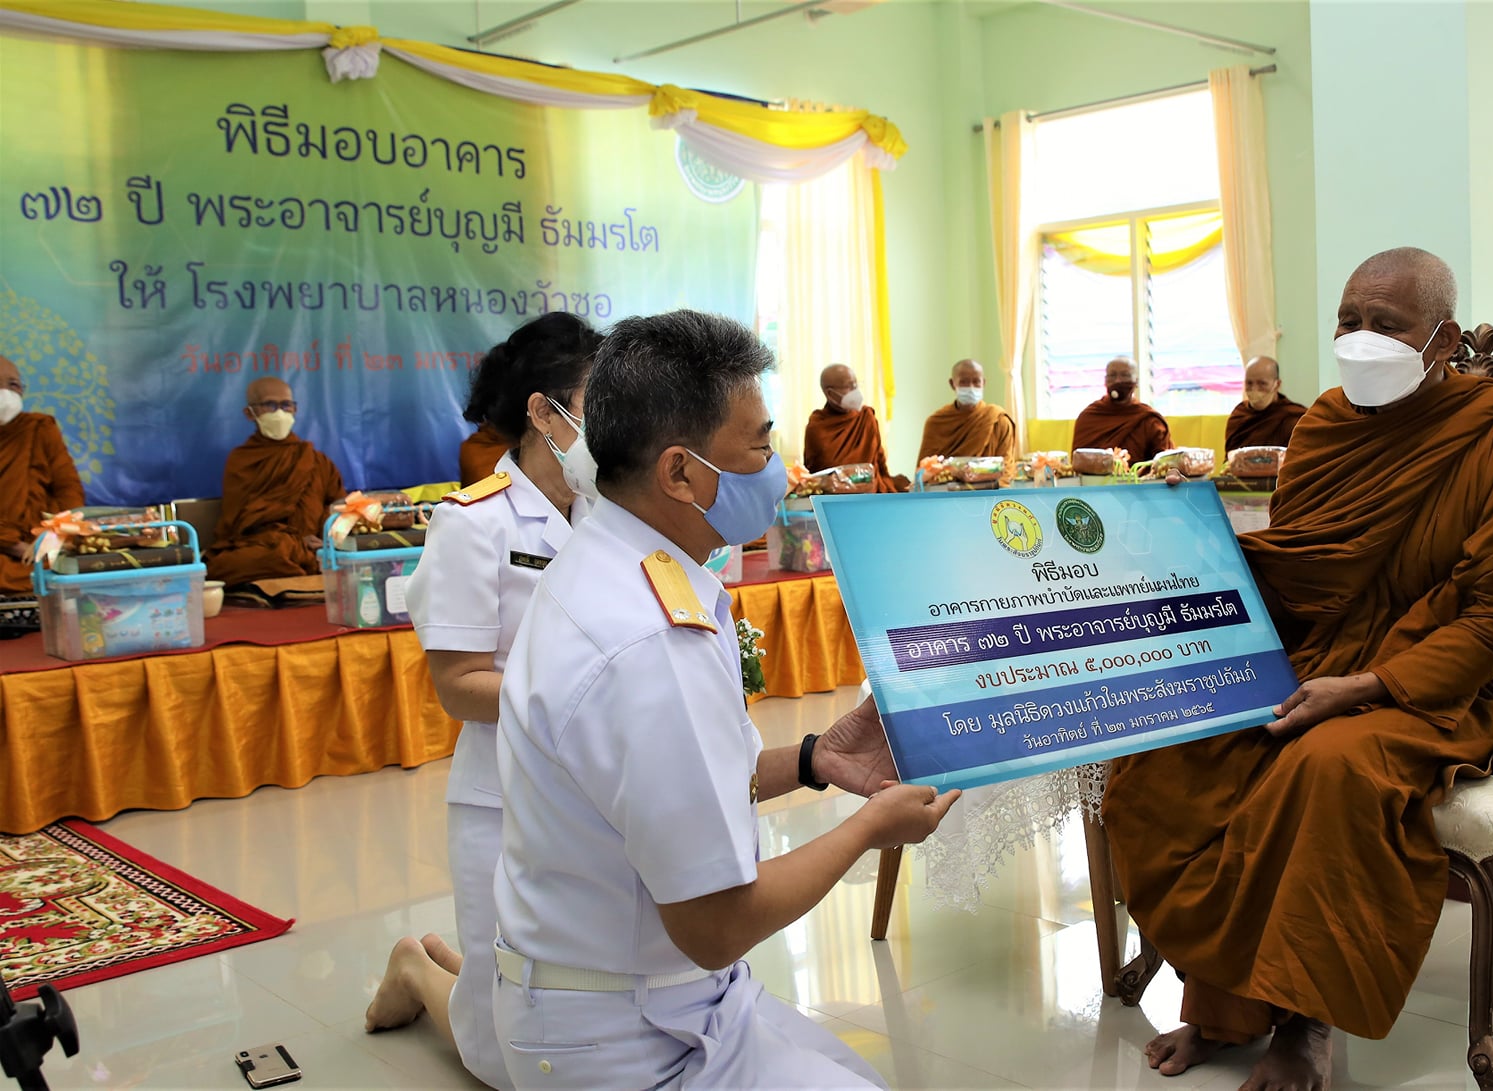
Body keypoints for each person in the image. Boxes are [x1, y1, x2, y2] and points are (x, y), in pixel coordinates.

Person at [1104, 248, 1493, 1089]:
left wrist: (1366, 687)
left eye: (1387, 324)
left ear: (1442, 339)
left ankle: (1305, 1023)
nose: (1361, 339)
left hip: (1448, 679)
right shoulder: (1327, 422)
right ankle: (1223, 1010)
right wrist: (1186, 551)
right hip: (1323, 651)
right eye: (1349, 321)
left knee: (1326, 764)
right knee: (1174, 750)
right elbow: (1301, 569)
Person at [487, 309, 959, 1089]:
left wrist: (814, 758)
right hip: (627, 1038)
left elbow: (677, 788)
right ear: (680, 473)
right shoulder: (648, 642)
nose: (778, 468)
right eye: (761, 446)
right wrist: (871, 827)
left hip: (662, 994)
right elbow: (716, 925)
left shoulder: (616, 560)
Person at [363, 313, 603, 1090]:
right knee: (506, 1061)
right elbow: (460, 686)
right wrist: (586, 696)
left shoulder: (608, 517)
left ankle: (459, 968)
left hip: (600, 788)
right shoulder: (472, 522)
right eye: (597, 404)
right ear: (544, 413)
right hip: (504, 800)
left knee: (577, 1007)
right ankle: (416, 965)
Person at [203, 377, 346, 587]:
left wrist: (326, 538)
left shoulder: (316, 460)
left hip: (313, 547)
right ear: (250, 413)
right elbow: (240, 525)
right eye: (270, 405)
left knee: (344, 554)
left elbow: (338, 508)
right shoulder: (241, 460)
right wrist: (295, 541)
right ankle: (300, 566)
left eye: (286, 405)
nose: (279, 413)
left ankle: (301, 564)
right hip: (267, 546)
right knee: (228, 563)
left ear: (295, 409)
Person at [0, 354, 84, 596]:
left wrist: (57, 539)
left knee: (69, 567)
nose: (5, 392)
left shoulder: (39, 428)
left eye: (13, 384)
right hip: (12, 551)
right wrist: (15, 545)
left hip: (43, 547)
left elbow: (68, 488)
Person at [802, 363, 904, 490]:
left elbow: (880, 461)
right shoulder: (817, 426)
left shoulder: (866, 417)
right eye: (849, 386)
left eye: (856, 385)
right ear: (830, 394)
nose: (855, 391)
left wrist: (888, 488)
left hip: (871, 493)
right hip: (834, 497)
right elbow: (814, 474)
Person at [1071, 357, 1172, 463]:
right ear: (1105, 381)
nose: (1118, 381)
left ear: (1136, 381)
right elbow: (1078, 462)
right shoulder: (1089, 417)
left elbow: (1164, 462)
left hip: (1137, 474)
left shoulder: (1148, 419)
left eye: (1125, 375)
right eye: (1112, 375)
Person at [917, 359, 1018, 460]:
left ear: (983, 383)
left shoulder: (998, 421)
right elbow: (925, 466)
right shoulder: (936, 423)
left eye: (976, 382)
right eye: (964, 382)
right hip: (946, 471)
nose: (971, 388)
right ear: (952, 384)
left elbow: (1006, 465)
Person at [1223, 356, 1306, 452]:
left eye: (1262, 383)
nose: (1254, 389)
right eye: (1249, 383)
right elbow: (1230, 456)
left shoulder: (1294, 417)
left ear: (1277, 384)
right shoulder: (1239, 414)